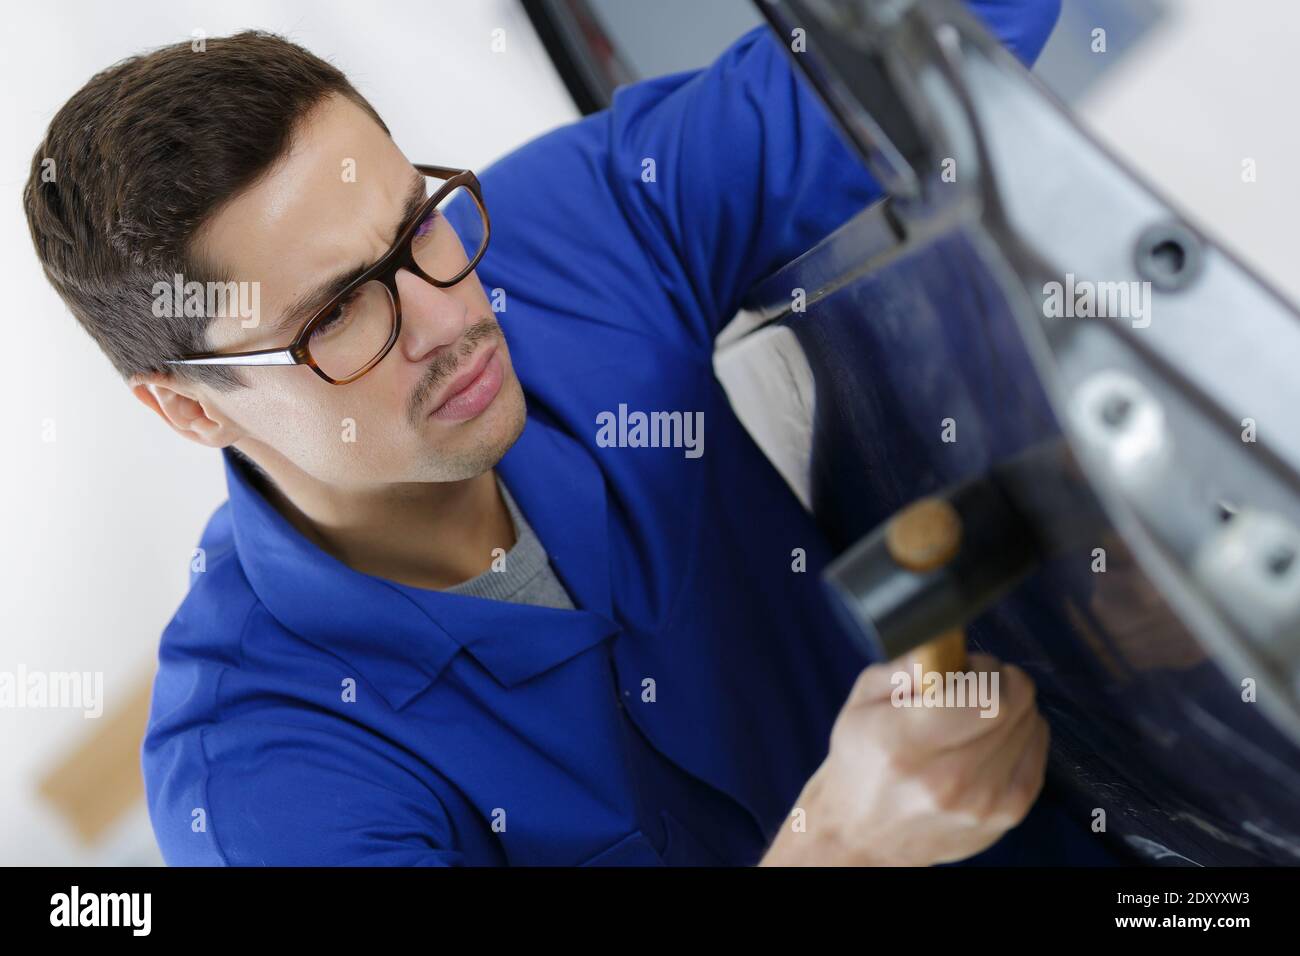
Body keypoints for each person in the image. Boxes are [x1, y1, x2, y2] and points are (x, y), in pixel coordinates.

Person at [23, 1, 1071, 865]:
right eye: (339, 312)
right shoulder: (264, 785)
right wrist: (837, 848)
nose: (453, 319)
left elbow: (923, 49)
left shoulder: (567, 233)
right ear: (190, 406)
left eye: (416, 223)